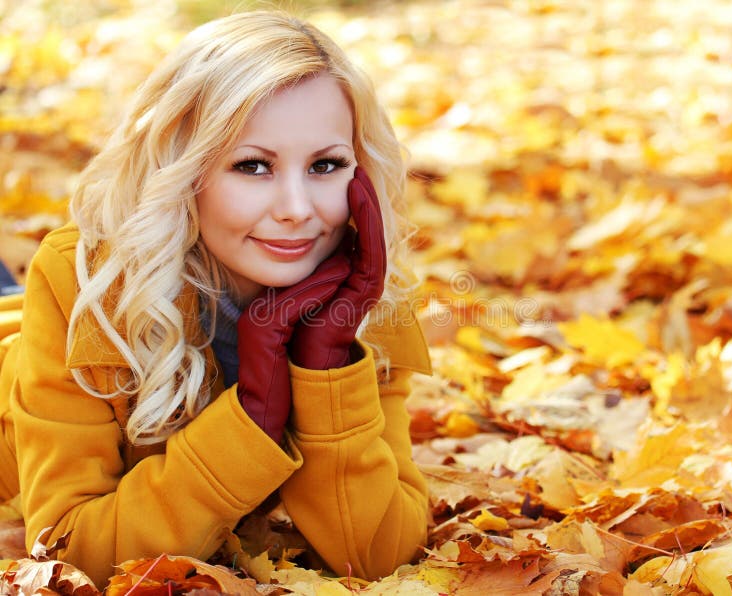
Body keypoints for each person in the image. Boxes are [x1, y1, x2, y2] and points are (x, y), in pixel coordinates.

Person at [0, 9, 433, 588]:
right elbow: (74, 556)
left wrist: (322, 365)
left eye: (325, 165)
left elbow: (381, 554)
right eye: (252, 166)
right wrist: (252, 414)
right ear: (185, 169)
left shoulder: (363, 298)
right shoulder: (83, 281)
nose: (298, 209)